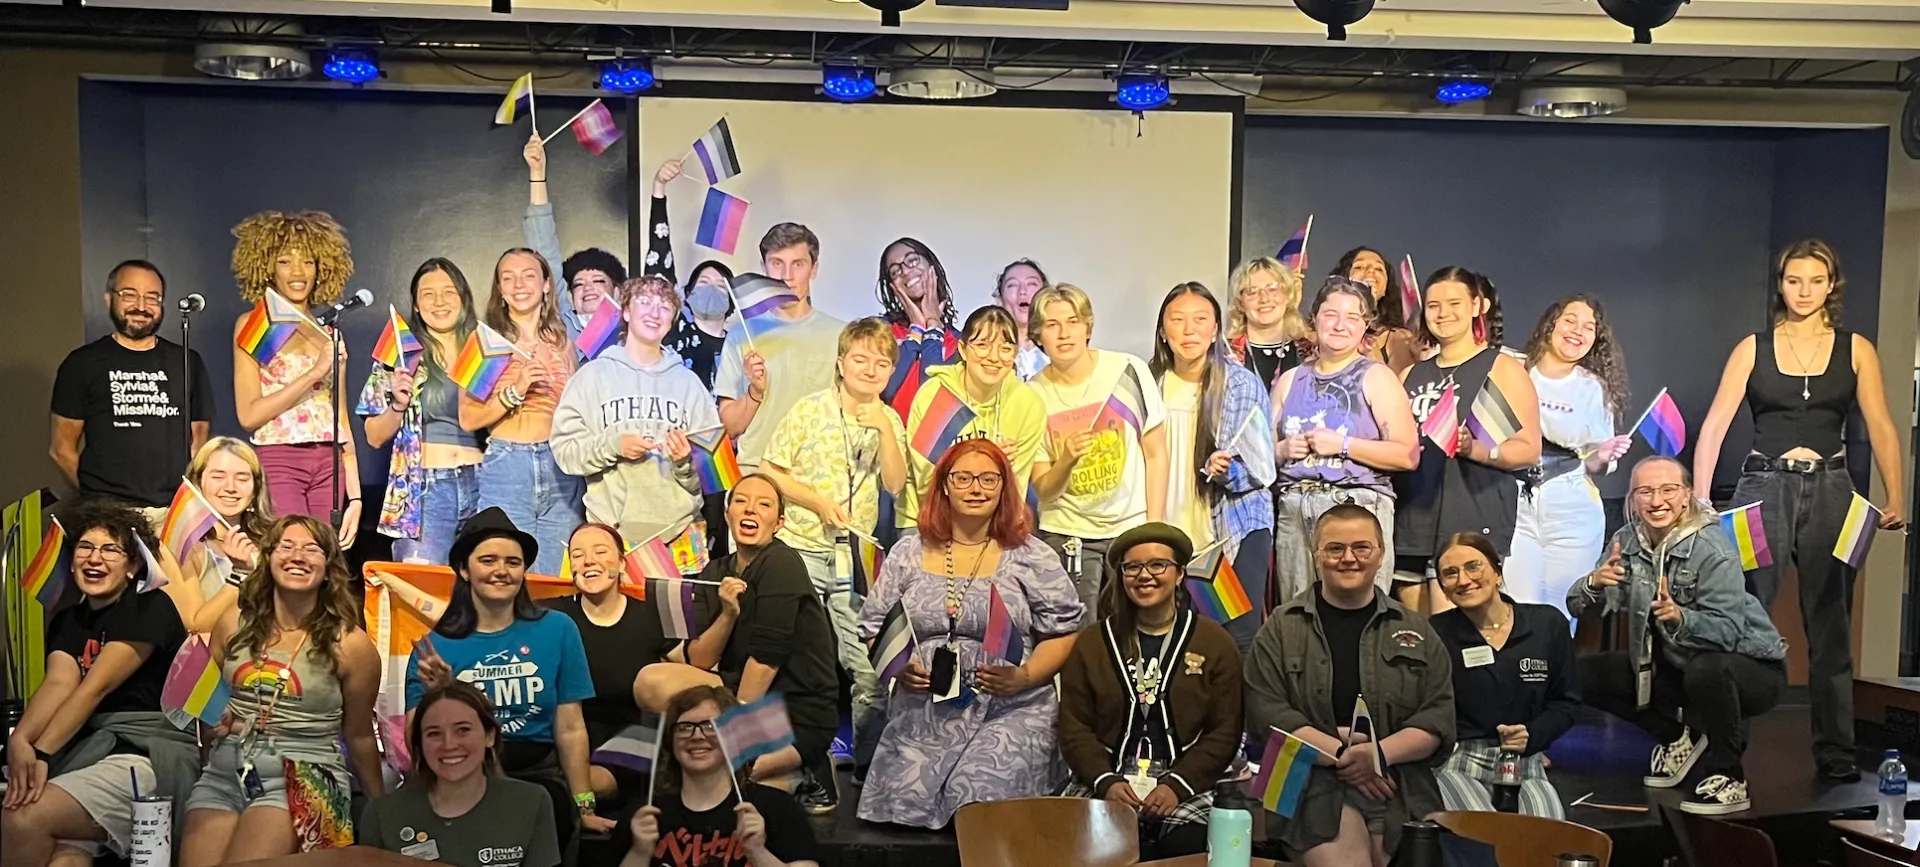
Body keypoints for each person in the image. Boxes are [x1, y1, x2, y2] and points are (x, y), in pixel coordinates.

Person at [1693, 239, 1907, 782]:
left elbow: (1882, 425)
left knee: (1831, 621)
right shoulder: (1753, 347)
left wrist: (1897, 496)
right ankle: (1724, 750)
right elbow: (1716, 423)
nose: (1804, 291)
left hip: (1833, 490)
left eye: (1815, 281)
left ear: (1831, 285)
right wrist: (1699, 498)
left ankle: (1835, 751)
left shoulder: (1856, 349)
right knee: (1742, 612)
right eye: (1793, 281)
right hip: (1763, 489)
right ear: (1781, 285)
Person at [857, 440, 1084, 829]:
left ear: (1004, 487)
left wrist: (1025, 676)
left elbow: (1065, 632)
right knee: (903, 809)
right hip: (925, 709)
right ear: (945, 485)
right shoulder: (907, 553)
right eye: (963, 478)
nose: (976, 488)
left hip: (1011, 707)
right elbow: (874, 626)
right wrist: (898, 667)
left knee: (977, 803)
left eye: (988, 479)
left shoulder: (1032, 555)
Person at [1569, 457, 1788, 815]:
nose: (1657, 501)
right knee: (1578, 675)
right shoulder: (1625, 541)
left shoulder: (1712, 547)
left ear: (1687, 495)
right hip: (1674, 664)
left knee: (1707, 668)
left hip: (1749, 670)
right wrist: (1594, 584)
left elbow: (1728, 633)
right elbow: (1582, 608)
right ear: (1633, 499)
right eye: (1645, 491)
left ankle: (1729, 776)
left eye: (1668, 490)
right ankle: (1677, 739)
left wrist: (1680, 618)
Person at [1243, 504, 1454, 865]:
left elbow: (1438, 718)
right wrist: (1344, 755)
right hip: (1301, 781)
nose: (1348, 558)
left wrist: (1377, 755)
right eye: (1335, 548)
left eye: (1361, 547)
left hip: (1398, 782)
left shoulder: (1417, 629)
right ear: (1316, 555)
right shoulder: (1280, 627)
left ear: (1381, 553)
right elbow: (1266, 712)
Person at [180, 515, 384, 865]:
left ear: (329, 567)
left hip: (303, 775)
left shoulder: (352, 645)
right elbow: (210, 704)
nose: (297, 556)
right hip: (225, 772)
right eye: (286, 546)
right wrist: (215, 728)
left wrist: (380, 811)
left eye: (311, 549)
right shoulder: (231, 623)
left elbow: (360, 735)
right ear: (268, 558)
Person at [2, 500, 195, 867]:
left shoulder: (149, 607)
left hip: (143, 753)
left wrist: (41, 753)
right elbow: (59, 684)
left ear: (133, 565)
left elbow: (95, 688)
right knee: (65, 855)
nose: (95, 558)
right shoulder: (68, 620)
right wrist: (20, 740)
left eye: (110, 550)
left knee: (23, 817)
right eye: (85, 547)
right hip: (89, 748)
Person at [406, 508, 613, 846]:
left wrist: (584, 806)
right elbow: (416, 741)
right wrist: (442, 694)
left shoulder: (558, 630)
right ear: (464, 569)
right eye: (488, 561)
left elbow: (571, 728)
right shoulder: (435, 646)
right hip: (462, 775)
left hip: (539, 776)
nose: (501, 571)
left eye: (513, 562)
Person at [631, 475, 838, 812]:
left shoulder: (781, 563)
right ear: (727, 514)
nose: (750, 509)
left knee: (720, 774)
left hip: (792, 710)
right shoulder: (716, 569)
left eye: (764, 504)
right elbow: (700, 659)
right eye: (741, 501)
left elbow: (766, 659)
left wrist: (735, 732)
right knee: (650, 681)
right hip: (737, 693)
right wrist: (728, 614)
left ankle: (805, 769)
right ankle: (781, 771)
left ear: (779, 523)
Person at [759, 317, 908, 753]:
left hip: (853, 555)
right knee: (794, 658)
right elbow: (769, 470)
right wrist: (816, 502)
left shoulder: (889, 419)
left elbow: (896, 484)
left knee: (866, 665)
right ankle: (791, 759)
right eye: (860, 359)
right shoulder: (809, 409)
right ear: (841, 363)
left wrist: (883, 428)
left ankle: (867, 768)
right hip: (801, 546)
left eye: (881, 362)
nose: (870, 369)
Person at [1058, 522, 1243, 860]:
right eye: (1132, 567)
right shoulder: (1092, 642)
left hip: (1188, 782)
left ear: (1179, 574)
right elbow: (1074, 726)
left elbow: (1225, 731)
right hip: (1106, 778)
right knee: (1086, 846)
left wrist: (1177, 785)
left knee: (1185, 848)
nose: (1145, 575)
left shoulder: (1215, 642)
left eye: (1158, 565)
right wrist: (1106, 781)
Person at [543, 522, 745, 805]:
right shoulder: (553, 616)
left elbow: (696, 661)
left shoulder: (650, 612)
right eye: (577, 555)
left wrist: (728, 614)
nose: (588, 560)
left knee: (587, 783)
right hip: (570, 731)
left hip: (633, 734)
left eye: (600, 551)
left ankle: (747, 744)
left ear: (621, 563)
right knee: (556, 775)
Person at [1395, 266, 1541, 615]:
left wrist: (1476, 449)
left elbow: (1528, 448)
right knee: (1417, 633)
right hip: (1412, 520)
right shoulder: (1410, 373)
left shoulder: (1501, 367)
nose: (1442, 313)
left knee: (1457, 633)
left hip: (1470, 516)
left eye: (1454, 303)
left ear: (1477, 306)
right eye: (1433, 305)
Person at [551, 275, 721, 571]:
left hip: (681, 532)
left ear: (672, 321)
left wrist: (684, 462)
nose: (655, 312)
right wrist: (613, 446)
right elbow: (565, 451)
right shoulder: (592, 377)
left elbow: (711, 473)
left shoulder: (690, 385)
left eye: (665, 307)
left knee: (689, 604)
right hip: (611, 534)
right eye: (644, 302)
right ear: (626, 312)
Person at [1271, 277, 1420, 601]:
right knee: (1298, 616)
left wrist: (1343, 445)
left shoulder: (1376, 376)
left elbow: (1407, 455)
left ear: (1366, 326)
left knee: (1358, 615)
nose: (1340, 325)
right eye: (1331, 314)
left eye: (1352, 317)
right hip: (1295, 508)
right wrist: (1281, 449)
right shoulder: (1290, 380)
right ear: (1315, 319)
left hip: (1355, 506)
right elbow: (1260, 453)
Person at [1027, 283, 1169, 618]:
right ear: (1038, 335)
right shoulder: (1032, 395)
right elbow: (1044, 489)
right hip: (1068, 532)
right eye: (1052, 325)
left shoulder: (1127, 370)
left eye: (1073, 322)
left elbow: (1156, 454)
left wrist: (1154, 530)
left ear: (1087, 327)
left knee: (1137, 626)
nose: (1064, 333)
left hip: (1130, 527)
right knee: (1078, 632)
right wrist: (1066, 460)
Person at [1149, 283, 1277, 652]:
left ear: (1215, 329)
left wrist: (1226, 471)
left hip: (1227, 529)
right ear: (1163, 331)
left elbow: (1261, 468)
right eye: (1178, 320)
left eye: (1200, 319)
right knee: (1172, 642)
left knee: (1231, 638)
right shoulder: (1149, 383)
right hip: (1167, 528)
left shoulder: (1239, 384)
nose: (1189, 330)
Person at [226, 212, 362, 539]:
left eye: (308, 262)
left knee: (325, 557)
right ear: (268, 267)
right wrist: (314, 373)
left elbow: (340, 417)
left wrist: (356, 497)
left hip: (330, 462)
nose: (298, 272)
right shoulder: (258, 324)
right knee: (290, 551)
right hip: (280, 457)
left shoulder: (329, 333)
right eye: (285, 261)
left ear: (321, 268)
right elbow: (248, 415)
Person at [1429, 533, 1578, 819]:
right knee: (1485, 835)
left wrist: (1533, 735)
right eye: (1450, 573)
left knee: (1548, 836)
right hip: (1461, 762)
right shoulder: (1436, 633)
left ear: (1497, 573)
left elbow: (1566, 702)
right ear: (1444, 589)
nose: (1463, 580)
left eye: (1473, 566)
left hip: (1526, 762)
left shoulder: (1547, 624)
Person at [50, 260, 213, 512]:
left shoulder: (187, 362)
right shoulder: (82, 363)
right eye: (129, 295)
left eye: (152, 297)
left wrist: (187, 502)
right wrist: (95, 501)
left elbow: (199, 442)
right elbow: (62, 448)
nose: (141, 306)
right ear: (109, 299)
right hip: (107, 512)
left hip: (173, 510)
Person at [459, 248, 583, 577]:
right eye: (508, 278)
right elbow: (468, 418)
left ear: (546, 284)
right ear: (500, 289)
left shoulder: (562, 342)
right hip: (508, 464)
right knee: (506, 571)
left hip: (560, 464)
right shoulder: (486, 341)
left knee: (556, 576)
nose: (519, 285)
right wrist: (516, 390)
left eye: (528, 275)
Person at [1508, 296, 1634, 616]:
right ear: (1550, 324)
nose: (1578, 331)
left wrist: (1601, 455)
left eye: (1589, 327)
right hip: (1514, 504)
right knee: (1517, 609)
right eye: (1570, 320)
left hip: (1571, 510)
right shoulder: (1513, 369)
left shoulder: (1593, 389)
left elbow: (1593, 465)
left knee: (1562, 611)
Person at [359, 258, 485, 565]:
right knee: (423, 587)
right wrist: (397, 405)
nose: (439, 302)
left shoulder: (484, 349)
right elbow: (374, 436)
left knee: (487, 585)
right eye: (428, 294)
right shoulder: (401, 353)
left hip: (485, 486)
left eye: (448, 292)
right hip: (426, 490)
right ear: (415, 304)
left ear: (463, 298)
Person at [358, 680, 562, 867]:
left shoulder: (531, 802)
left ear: (489, 736)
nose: (449, 745)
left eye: (463, 730)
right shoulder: (381, 815)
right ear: (420, 743)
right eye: (434, 733)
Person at [618, 685, 823, 867]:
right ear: (670, 741)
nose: (697, 736)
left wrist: (757, 852)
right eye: (685, 727)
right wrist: (639, 853)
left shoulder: (777, 808)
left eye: (711, 726)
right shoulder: (643, 816)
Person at [900, 306, 1049, 530]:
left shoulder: (1027, 404)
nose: (994, 357)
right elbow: (927, 485)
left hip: (996, 521)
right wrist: (990, 459)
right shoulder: (936, 396)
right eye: (982, 345)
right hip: (928, 518)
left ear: (1015, 354)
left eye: (1005, 348)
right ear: (962, 349)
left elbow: (1015, 490)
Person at [715, 225, 846, 473]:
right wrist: (755, 392)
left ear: (814, 268)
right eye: (777, 263)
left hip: (818, 472)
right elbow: (729, 427)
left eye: (798, 264)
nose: (787, 276)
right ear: (763, 267)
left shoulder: (841, 335)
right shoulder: (741, 335)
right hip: (757, 471)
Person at [156, 437, 275, 634]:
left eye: (242, 479)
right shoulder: (182, 543)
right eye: (218, 477)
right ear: (198, 483)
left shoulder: (274, 541)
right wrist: (239, 574)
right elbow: (195, 625)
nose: (231, 487)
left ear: (255, 490)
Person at [523, 133, 625, 350]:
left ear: (617, 291)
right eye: (578, 284)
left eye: (599, 280)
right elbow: (544, 251)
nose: (588, 288)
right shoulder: (562, 327)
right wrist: (537, 174)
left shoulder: (634, 332)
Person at [876, 237, 959, 418]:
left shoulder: (961, 342)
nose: (905, 271)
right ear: (891, 287)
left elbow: (933, 394)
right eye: (895, 271)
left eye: (912, 260)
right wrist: (916, 330)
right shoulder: (880, 331)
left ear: (932, 266)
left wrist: (933, 326)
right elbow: (885, 389)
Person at [1225, 257, 1308, 393]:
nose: (1264, 299)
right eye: (1252, 291)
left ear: (1288, 296)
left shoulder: (1309, 352)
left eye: (1273, 289)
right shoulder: (1224, 355)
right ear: (1240, 303)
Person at [1329, 247, 1418, 374]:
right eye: (1359, 267)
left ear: (1386, 288)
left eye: (1379, 269)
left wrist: (1377, 362)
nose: (1371, 270)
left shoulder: (1399, 338)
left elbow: (1402, 383)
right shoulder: (1325, 327)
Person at [994, 259, 1049, 380]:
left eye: (1032, 284)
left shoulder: (1060, 351)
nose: (1022, 291)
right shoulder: (987, 355)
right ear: (999, 300)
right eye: (1012, 285)